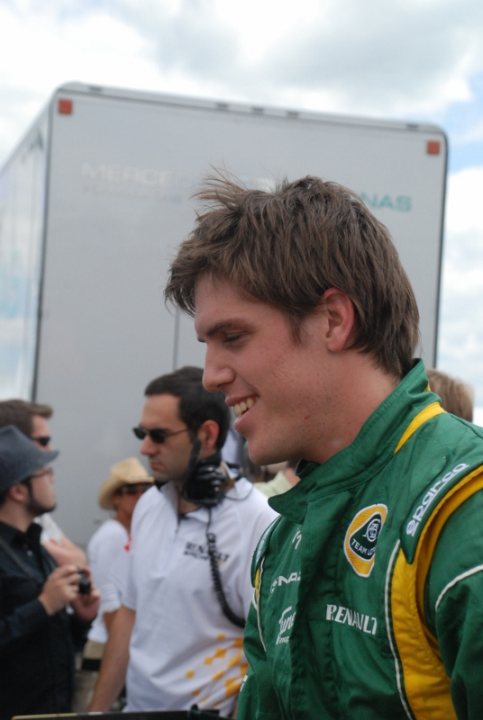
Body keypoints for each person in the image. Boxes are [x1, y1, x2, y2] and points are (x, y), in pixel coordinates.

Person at [164, 175, 483, 719]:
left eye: (233, 337)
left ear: (333, 321)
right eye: (207, 343)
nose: (212, 376)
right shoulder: (286, 534)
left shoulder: (461, 505)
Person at [88, 366, 277, 716]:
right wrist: (96, 713)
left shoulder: (258, 520)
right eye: (140, 433)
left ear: (207, 436)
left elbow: (267, 652)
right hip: (136, 709)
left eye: (158, 435)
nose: (145, 448)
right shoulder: (147, 507)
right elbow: (128, 617)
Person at [0, 425, 99, 720]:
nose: (52, 477)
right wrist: (44, 605)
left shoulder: (37, 546)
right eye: (44, 472)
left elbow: (46, 641)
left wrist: (80, 619)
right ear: (18, 490)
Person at [74, 458, 153, 709]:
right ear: (116, 498)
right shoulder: (113, 536)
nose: (139, 495)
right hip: (105, 647)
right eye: (130, 490)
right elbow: (110, 602)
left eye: (144, 489)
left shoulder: (127, 533)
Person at [0, 399, 87, 567]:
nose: (51, 449)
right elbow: (72, 562)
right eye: (44, 441)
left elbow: (79, 560)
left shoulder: (35, 512)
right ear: (14, 442)